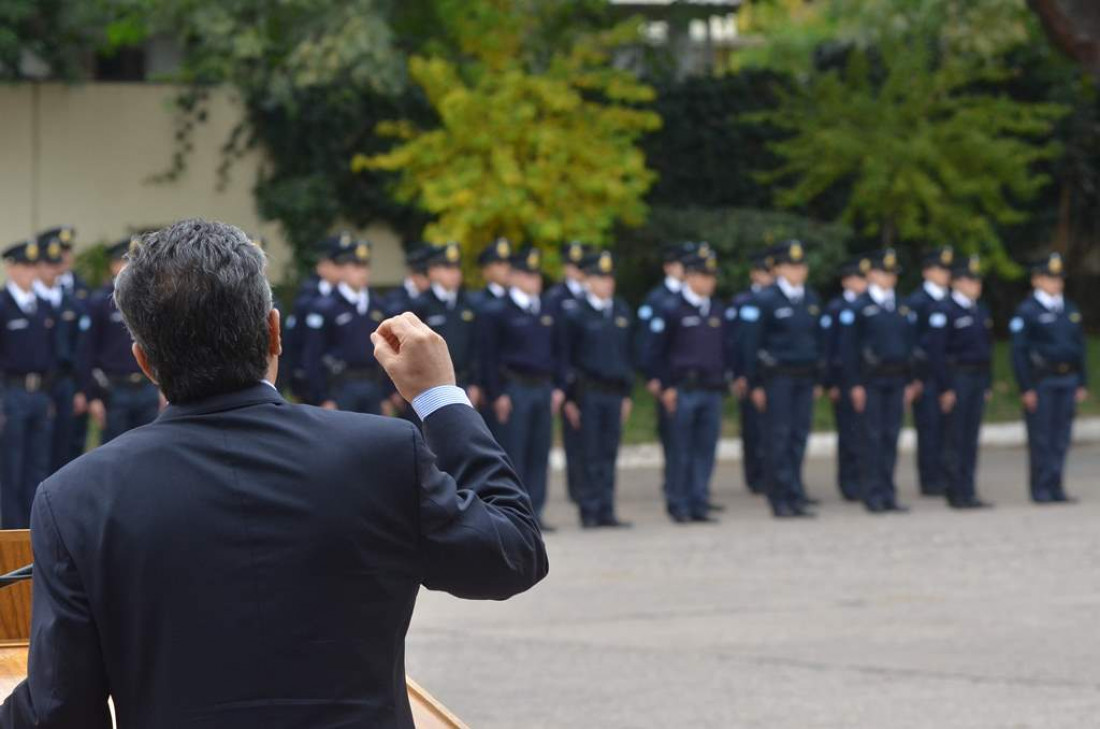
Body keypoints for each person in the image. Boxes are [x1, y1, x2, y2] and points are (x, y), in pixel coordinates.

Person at [0, 218, 548, 728]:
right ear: (274, 333)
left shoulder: (77, 498)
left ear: (143, 361)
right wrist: (439, 398)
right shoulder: (379, 454)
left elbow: (61, 711)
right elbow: (511, 555)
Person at [478, 246, 565, 530]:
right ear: (513, 276)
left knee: (540, 452)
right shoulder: (498, 311)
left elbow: (557, 352)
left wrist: (558, 387)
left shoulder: (547, 309)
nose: (534, 281)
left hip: (542, 387)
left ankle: (536, 511)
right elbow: (488, 357)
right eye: (527, 275)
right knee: (514, 452)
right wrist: (497, 393)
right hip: (514, 388)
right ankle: (515, 513)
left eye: (536, 275)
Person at [738, 240, 824, 519]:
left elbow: (817, 341)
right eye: (790, 266)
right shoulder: (765, 300)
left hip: (804, 377)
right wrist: (756, 383)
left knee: (798, 437)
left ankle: (795, 492)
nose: (797, 271)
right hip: (777, 379)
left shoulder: (810, 299)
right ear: (777, 269)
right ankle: (779, 497)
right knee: (778, 438)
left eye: (800, 266)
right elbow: (750, 345)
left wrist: (819, 378)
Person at [841, 248, 921, 514]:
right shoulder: (860, 307)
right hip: (871, 380)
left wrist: (911, 380)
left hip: (897, 379)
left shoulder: (902, 305)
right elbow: (849, 350)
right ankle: (872, 493)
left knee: (891, 437)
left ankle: (888, 492)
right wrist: (855, 384)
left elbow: (910, 346)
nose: (890, 279)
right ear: (872, 274)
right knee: (872, 438)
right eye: (884, 273)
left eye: (893, 274)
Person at [650, 245, 727, 524]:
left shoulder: (717, 309)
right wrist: (665, 386)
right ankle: (678, 502)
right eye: (704, 276)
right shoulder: (671, 309)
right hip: (682, 389)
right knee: (680, 450)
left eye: (712, 276)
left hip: (711, 389)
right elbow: (656, 352)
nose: (710, 282)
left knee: (704, 450)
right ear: (690, 277)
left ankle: (699, 501)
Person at [561, 250, 633, 529]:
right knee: (589, 452)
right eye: (600, 278)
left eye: (610, 278)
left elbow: (627, 355)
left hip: (614, 392)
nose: (607, 284)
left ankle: (607, 509)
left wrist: (627, 394)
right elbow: (567, 357)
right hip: (587, 393)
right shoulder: (576, 314)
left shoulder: (621, 310)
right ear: (588, 280)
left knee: (609, 452)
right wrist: (570, 398)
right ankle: (589, 509)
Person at [1010, 252, 1088, 504]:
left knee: (1061, 437)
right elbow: (1019, 353)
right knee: (1041, 437)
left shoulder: (1069, 308)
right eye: (1050, 278)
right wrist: (1026, 387)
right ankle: (1041, 488)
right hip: (1042, 381)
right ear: (1037, 280)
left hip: (1067, 380)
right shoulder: (1027, 311)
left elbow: (1080, 347)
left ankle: (1056, 485)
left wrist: (1082, 381)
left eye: (1059, 279)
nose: (1056, 283)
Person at [0, 240, 57, 529]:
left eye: (33, 266)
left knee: (38, 465)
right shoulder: (3, 305)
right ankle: (11, 532)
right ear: (11, 268)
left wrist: (48, 395)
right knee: (11, 467)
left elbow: (51, 355)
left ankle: (35, 528)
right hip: (11, 393)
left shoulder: (43, 307)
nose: (29, 272)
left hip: (39, 394)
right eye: (23, 266)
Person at [83, 237, 162, 445]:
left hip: (147, 387)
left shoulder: (150, 300)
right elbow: (88, 351)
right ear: (113, 265)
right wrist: (92, 396)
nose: (129, 268)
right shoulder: (100, 303)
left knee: (149, 448)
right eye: (124, 262)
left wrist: (164, 388)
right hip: (114, 390)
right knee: (115, 448)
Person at [301, 236, 393, 414]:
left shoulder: (379, 306)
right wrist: (322, 398)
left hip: (373, 386)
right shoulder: (325, 307)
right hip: (340, 389)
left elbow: (389, 349)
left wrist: (387, 394)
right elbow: (313, 355)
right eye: (355, 267)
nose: (362, 272)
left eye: (365, 266)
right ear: (342, 269)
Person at [931, 255, 994, 509]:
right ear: (956, 282)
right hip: (957, 378)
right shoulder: (945, 310)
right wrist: (945, 387)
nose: (975, 285)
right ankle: (955, 490)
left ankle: (969, 490)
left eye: (977, 281)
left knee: (971, 436)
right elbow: (937, 353)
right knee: (955, 436)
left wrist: (987, 382)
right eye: (970, 280)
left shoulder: (980, 310)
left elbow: (987, 350)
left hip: (977, 378)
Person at [636, 242, 692, 504]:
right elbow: (649, 343)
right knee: (673, 438)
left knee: (692, 440)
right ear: (669, 266)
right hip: (668, 378)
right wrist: (653, 376)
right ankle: (674, 489)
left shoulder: (690, 296)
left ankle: (691, 490)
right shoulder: (657, 298)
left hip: (688, 378)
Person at [544, 240, 591, 504]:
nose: (578, 271)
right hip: (569, 378)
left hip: (591, 377)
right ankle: (578, 490)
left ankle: (590, 490)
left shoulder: (591, 298)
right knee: (574, 440)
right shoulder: (556, 298)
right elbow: (556, 345)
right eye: (574, 265)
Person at [38, 225, 90, 458]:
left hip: (68, 380)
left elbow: (83, 345)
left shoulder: (77, 293)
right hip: (41, 382)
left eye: (66, 251)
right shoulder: (33, 299)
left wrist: (81, 387)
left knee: (68, 446)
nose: (63, 258)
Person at [410, 243, 482, 411]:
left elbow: (476, 347)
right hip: (429, 385)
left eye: (456, 268)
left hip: (462, 381)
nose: (454, 274)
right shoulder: (421, 305)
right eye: (447, 268)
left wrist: (475, 382)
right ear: (433, 271)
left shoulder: (468, 304)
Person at [906, 246, 954, 497]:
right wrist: (914, 377)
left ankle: (947, 474)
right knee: (929, 428)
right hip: (927, 375)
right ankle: (930, 478)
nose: (945, 274)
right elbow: (912, 342)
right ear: (927, 272)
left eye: (947, 269)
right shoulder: (917, 302)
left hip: (949, 373)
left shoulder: (951, 300)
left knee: (948, 429)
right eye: (939, 269)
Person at [727, 249, 775, 496]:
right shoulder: (743, 301)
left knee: (776, 429)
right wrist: (738, 374)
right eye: (764, 271)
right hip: (750, 373)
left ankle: (773, 475)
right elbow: (737, 342)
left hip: (774, 373)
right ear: (754, 274)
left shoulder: (778, 300)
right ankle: (755, 475)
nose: (768, 276)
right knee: (753, 428)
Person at [822, 256, 869, 502]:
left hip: (867, 378)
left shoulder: (869, 306)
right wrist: (830, 382)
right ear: (846, 281)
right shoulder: (836, 308)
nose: (862, 283)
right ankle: (849, 482)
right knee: (849, 433)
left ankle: (864, 480)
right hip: (844, 379)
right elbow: (831, 349)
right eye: (857, 278)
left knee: (865, 434)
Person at [282, 235, 344, 403]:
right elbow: (295, 341)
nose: (342, 270)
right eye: (337, 264)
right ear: (322, 266)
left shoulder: (350, 298)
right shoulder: (307, 297)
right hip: (312, 382)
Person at [384, 245, 431, 315]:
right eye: (426, 277)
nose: (429, 282)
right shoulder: (395, 297)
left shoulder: (429, 295)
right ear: (414, 276)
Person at [471, 238, 513, 310]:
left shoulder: (518, 300)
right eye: (500, 264)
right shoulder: (477, 302)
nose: (507, 267)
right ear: (486, 271)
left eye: (509, 262)